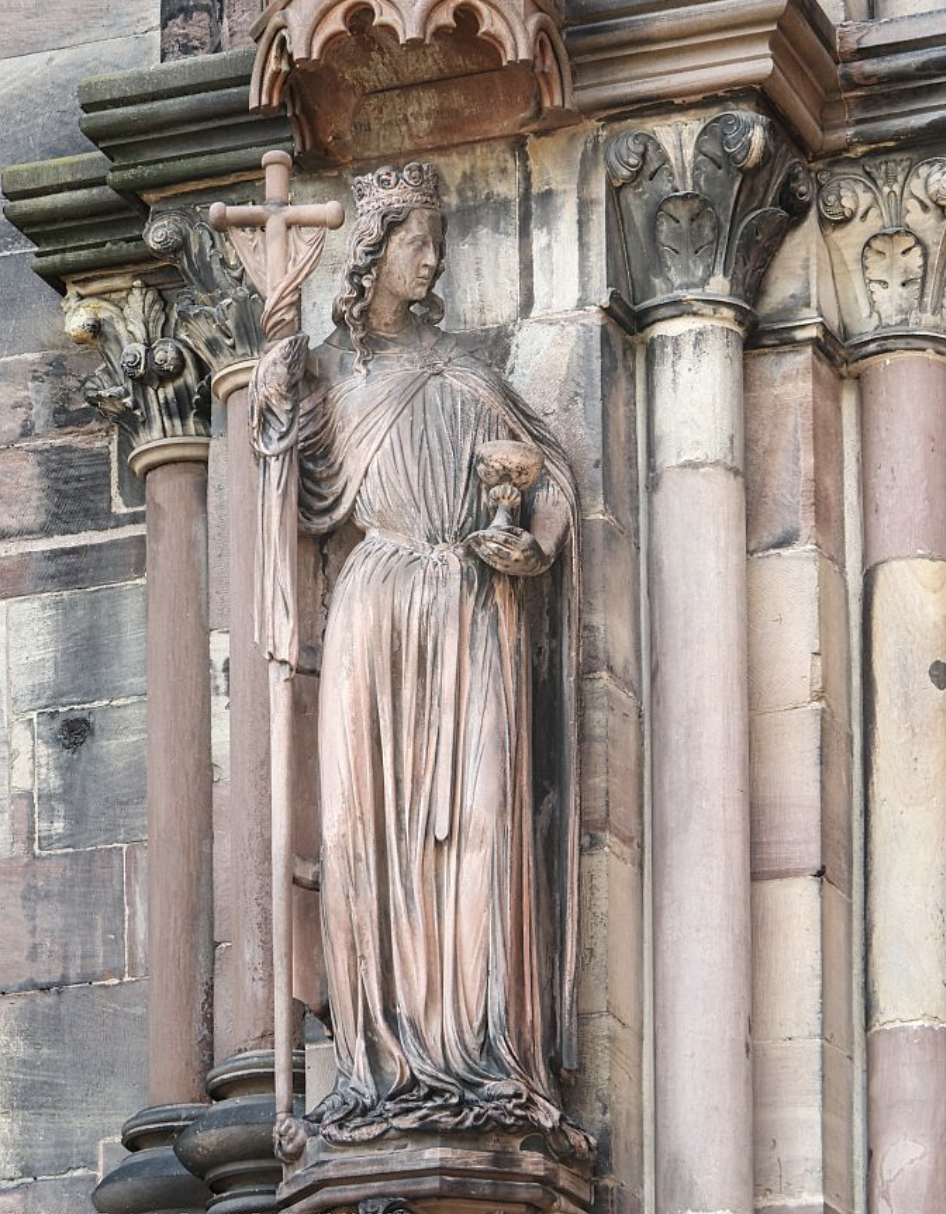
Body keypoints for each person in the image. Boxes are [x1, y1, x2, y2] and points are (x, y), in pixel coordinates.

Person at [252, 162, 589, 1159]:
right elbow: (294, 493)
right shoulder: (330, 372)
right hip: (378, 609)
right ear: (372, 251)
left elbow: (547, 475)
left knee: (481, 821)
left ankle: (482, 1051)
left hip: (470, 605)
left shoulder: (466, 370)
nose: (432, 258)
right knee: (368, 834)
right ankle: (380, 1062)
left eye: (438, 242)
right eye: (416, 241)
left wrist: (533, 541)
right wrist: (274, 399)